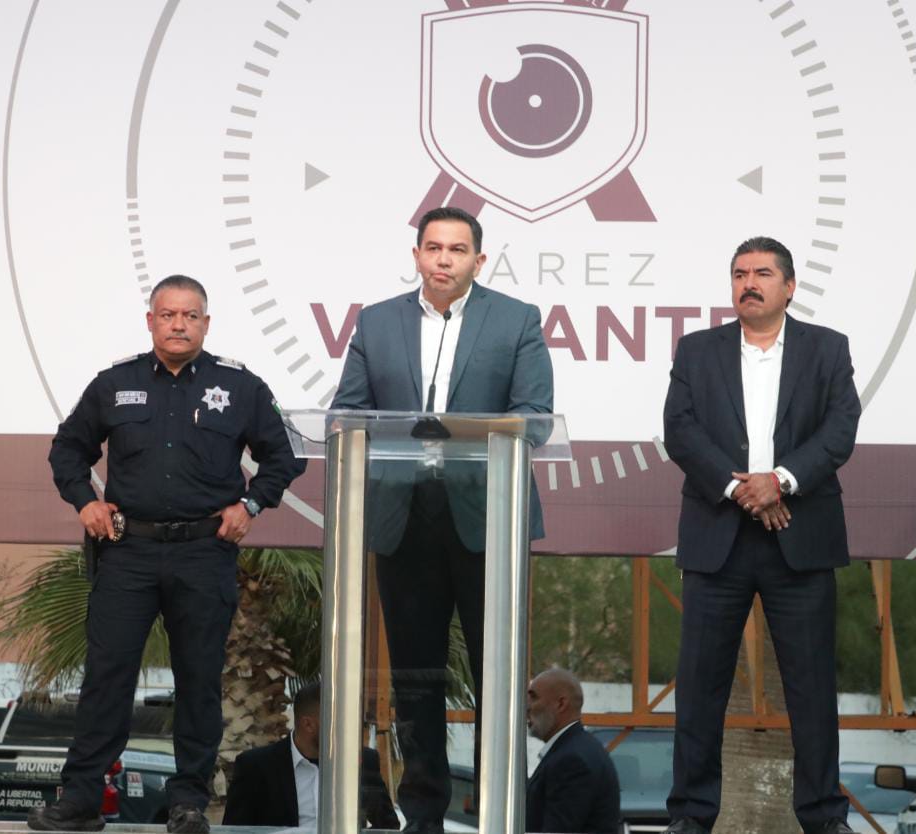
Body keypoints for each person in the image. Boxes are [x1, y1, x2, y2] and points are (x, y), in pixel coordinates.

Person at [29, 275, 305, 834]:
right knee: (107, 678)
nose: (179, 325)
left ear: (206, 323)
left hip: (204, 552)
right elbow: (67, 449)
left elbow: (285, 455)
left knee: (198, 681)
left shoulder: (240, 386)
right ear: (150, 320)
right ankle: (81, 799)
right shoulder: (115, 383)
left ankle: (188, 804)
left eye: (190, 316)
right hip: (127, 551)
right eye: (168, 314)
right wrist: (85, 501)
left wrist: (251, 504)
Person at [331, 206, 554, 832]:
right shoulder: (377, 322)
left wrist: (459, 434)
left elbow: (535, 417)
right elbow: (348, 412)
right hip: (403, 517)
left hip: (488, 515)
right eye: (433, 248)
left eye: (457, 250)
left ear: (478, 261)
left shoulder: (516, 320)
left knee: (496, 678)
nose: (444, 259)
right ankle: (423, 815)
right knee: (416, 679)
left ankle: (495, 811)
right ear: (417, 256)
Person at [661, 237, 861, 834]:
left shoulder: (828, 348)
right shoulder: (697, 350)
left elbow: (840, 428)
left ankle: (823, 817)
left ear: (790, 286)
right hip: (717, 536)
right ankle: (691, 816)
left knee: (811, 690)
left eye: (763, 274)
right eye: (740, 273)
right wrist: (740, 489)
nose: (749, 283)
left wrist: (781, 481)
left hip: (800, 536)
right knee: (700, 690)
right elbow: (680, 429)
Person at [222, 681, 400, 829]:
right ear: (308, 725)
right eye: (339, 721)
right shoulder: (256, 766)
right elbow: (235, 830)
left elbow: (388, 826)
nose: (347, 729)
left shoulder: (362, 760)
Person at [525, 668, 621, 834]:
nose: (527, 707)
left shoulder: (571, 761)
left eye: (534, 697)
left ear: (561, 704)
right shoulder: (577, 749)